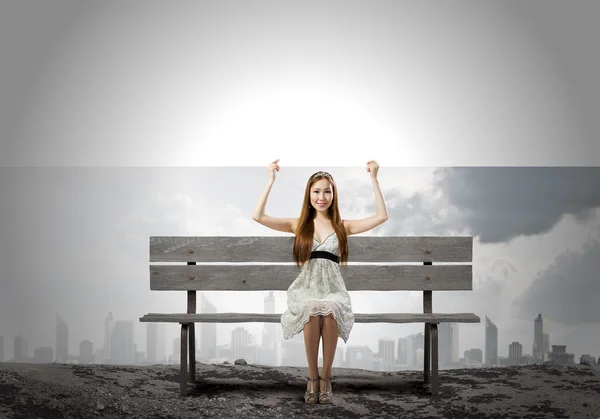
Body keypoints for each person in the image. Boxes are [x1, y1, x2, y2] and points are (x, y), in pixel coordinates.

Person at [251, 159, 388, 404]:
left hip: (333, 289)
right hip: (307, 287)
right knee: (313, 308)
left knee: (331, 308)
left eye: (327, 191)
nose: (321, 196)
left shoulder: (342, 226)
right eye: (316, 191)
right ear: (309, 195)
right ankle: (312, 377)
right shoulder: (299, 224)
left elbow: (381, 216)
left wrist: (374, 180)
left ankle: (326, 377)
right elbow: (258, 216)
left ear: (334, 195)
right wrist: (270, 180)